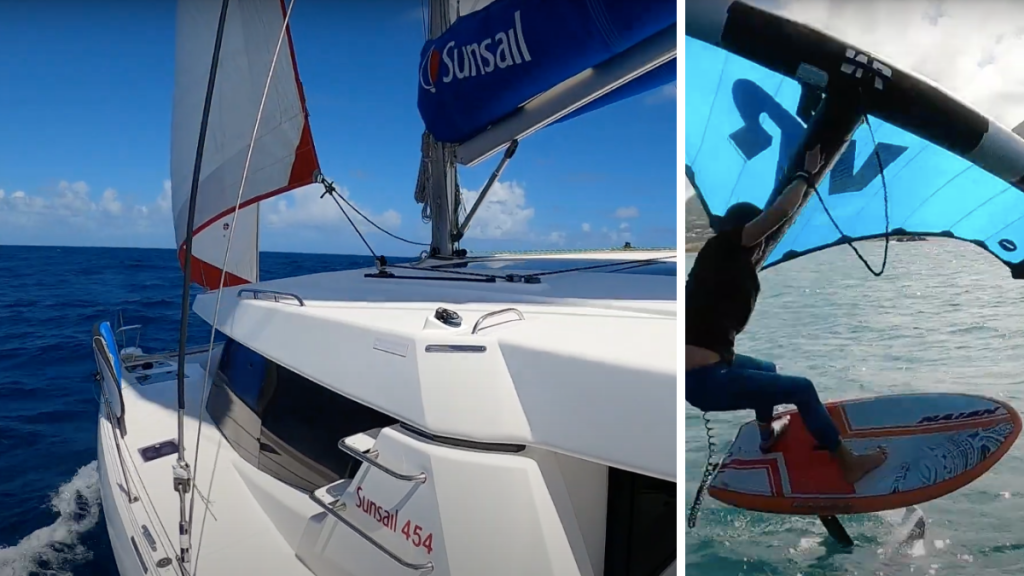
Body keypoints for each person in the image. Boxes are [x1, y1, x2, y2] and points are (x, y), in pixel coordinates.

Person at [685, 145, 887, 485]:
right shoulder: (723, 247)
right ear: (743, 231)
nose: (764, 242)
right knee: (803, 389)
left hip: (710, 370)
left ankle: (768, 434)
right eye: (758, 235)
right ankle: (848, 463)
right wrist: (805, 174)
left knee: (767, 370)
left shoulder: (723, 267)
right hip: (706, 382)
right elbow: (778, 213)